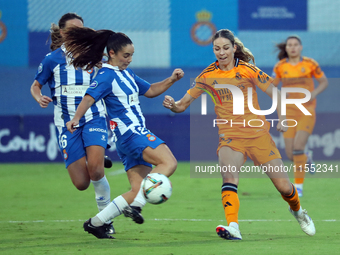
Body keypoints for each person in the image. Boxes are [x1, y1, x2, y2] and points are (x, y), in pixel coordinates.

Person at [163, 29, 315, 240]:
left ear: (234, 48)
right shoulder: (206, 76)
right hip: (230, 137)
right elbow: (182, 105)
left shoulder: (248, 70)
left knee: (284, 187)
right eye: (217, 49)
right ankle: (233, 226)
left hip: (258, 136)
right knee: (229, 176)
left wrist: (281, 119)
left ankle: (298, 211)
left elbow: (276, 94)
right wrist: (173, 105)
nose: (221, 53)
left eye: (226, 48)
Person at [63, 27, 184, 239]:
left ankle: (96, 223)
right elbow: (89, 98)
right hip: (132, 133)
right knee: (169, 163)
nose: (129, 59)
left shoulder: (126, 74)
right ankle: (137, 205)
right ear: (112, 53)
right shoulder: (106, 75)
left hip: (126, 140)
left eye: (131, 56)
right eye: (125, 55)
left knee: (137, 189)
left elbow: (151, 90)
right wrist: (75, 119)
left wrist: (171, 79)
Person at [30, 13, 114, 234]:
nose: (78, 33)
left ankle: (105, 219)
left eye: (81, 29)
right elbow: (36, 86)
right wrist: (39, 97)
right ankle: (92, 155)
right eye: (72, 30)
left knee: (96, 171)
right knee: (81, 183)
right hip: (66, 124)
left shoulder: (94, 57)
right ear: (62, 33)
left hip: (93, 117)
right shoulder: (52, 60)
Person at [272, 35, 328, 197]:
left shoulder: (310, 64)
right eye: (290, 45)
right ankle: (307, 156)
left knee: (298, 148)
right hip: (289, 112)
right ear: (286, 48)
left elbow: (324, 82)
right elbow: (273, 86)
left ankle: (299, 186)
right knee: (291, 155)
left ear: (301, 47)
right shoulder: (280, 66)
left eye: (296, 44)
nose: (293, 47)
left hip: (306, 111)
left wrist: (314, 93)